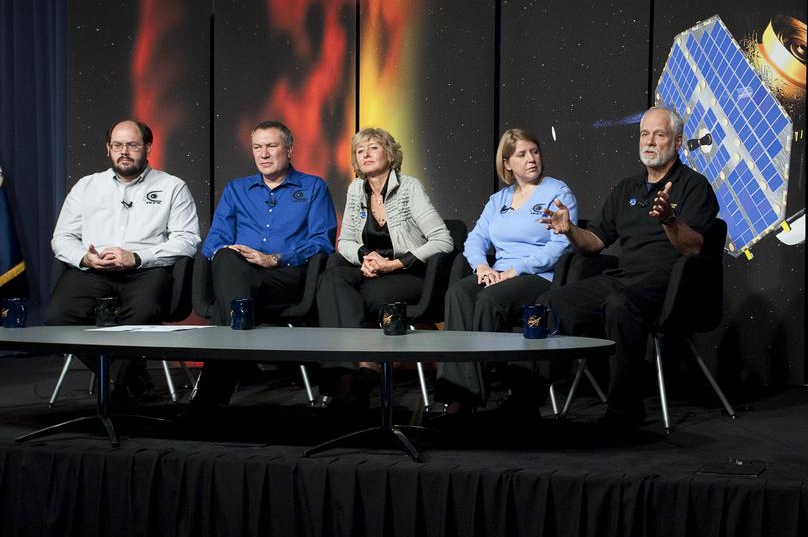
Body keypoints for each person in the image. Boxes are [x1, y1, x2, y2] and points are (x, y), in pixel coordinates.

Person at [538, 107, 719, 429]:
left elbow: (694, 248)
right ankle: (526, 400)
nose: (649, 142)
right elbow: (594, 242)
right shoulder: (627, 188)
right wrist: (570, 230)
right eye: (644, 134)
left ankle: (624, 411)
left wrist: (669, 220)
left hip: (671, 283)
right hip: (624, 278)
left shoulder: (694, 186)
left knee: (621, 304)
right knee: (552, 303)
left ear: (677, 142)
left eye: (659, 135)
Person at [46, 119, 200, 401]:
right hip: (95, 270)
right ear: (108, 149)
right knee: (57, 316)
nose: (124, 151)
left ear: (148, 148)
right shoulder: (86, 186)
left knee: (143, 313)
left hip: (146, 270)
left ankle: (117, 381)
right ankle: (125, 375)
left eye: (132, 145)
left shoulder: (172, 186)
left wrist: (137, 257)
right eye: (118, 145)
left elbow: (187, 240)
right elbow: (62, 238)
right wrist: (85, 258)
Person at [191, 120, 337, 409]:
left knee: (229, 298)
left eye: (271, 146)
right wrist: (229, 251)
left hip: (285, 277)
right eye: (258, 147)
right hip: (240, 274)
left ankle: (208, 402)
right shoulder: (237, 190)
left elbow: (322, 241)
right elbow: (214, 240)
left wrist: (275, 259)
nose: (264, 154)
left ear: (289, 149)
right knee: (224, 258)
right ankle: (238, 330)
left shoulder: (313, 187)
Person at [434, 128, 577, 416]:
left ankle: (477, 390)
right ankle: (459, 394)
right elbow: (474, 239)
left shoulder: (557, 192)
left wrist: (516, 270)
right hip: (498, 273)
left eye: (534, 151)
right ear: (507, 163)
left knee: (490, 300)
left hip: (539, 276)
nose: (531, 159)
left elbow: (561, 246)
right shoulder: (498, 200)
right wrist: (482, 266)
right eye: (522, 154)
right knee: (458, 294)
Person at [315, 128, 453, 407]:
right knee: (330, 280)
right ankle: (355, 373)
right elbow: (345, 241)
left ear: (389, 155)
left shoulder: (410, 187)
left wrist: (395, 263)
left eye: (373, 148)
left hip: (409, 274)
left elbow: (443, 240)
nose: (365, 154)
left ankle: (348, 380)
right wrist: (365, 256)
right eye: (359, 151)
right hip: (373, 270)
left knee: (350, 299)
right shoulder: (356, 189)